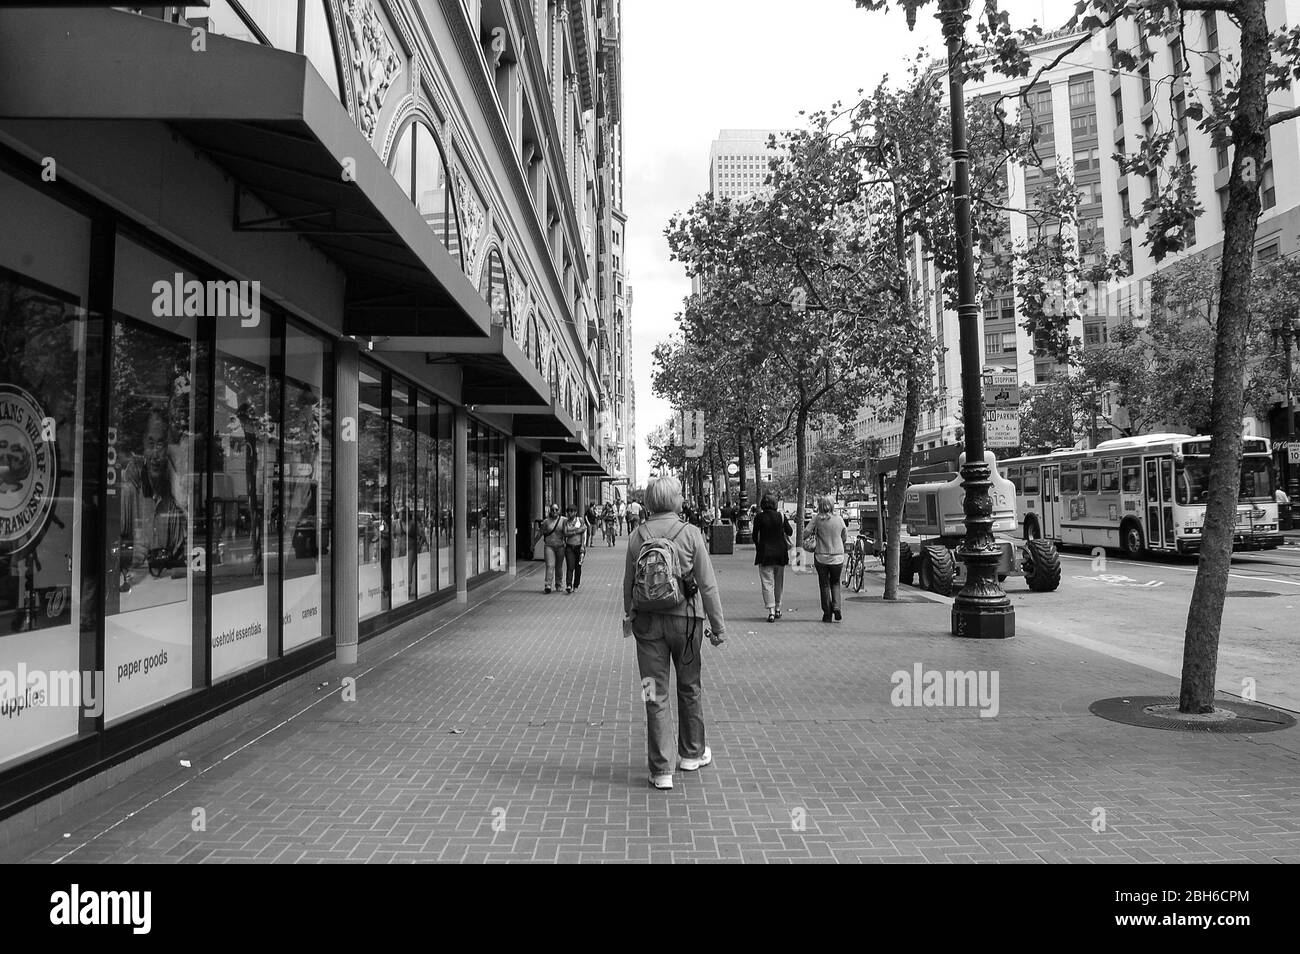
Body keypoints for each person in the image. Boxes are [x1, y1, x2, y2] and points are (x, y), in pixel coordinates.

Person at [622, 476, 727, 791]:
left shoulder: (637, 536)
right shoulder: (691, 533)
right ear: (674, 500)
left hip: (648, 625)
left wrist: (630, 616)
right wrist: (718, 627)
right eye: (681, 493)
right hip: (687, 622)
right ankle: (691, 754)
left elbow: (629, 583)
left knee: (653, 692)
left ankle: (661, 769)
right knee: (689, 686)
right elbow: (707, 585)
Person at [751, 493, 794, 623]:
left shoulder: (759, 517)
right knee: (778, 582)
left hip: (765, 554)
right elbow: (790, 531)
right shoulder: (780, 516)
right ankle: (778, 607)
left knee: (767, 583)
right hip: (780, 554)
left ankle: (771, 611)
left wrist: (759, 546)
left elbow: (754, 536)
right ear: (775, 503)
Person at [805, 495, 848, 623]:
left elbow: (806, 532)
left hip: (821, 557)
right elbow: (844, 536)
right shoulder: (839, 519)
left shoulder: (817, 519)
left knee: (824, 585)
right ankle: (837, 607)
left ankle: (827, 614)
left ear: (820, 505)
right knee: (835, 583)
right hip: (837, 558)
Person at [537, 504, 565, 594]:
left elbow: (571, 528)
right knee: (550, 565)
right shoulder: (546, 522)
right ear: (550, 510)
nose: (554, 511)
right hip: (549, 546)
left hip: (560, 546)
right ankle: (548, 585)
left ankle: (559, 584)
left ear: (559, 510)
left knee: (559, 566)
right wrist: (533, 544)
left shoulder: (564, 520)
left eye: (556, 509)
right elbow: (540, 533)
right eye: (552, 510)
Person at [562, 504, 588, 593]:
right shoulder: (565, 522)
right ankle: (568, 584)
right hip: (569, 546)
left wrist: (582, 546)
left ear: (575, 512)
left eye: (572, 511)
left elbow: (583, 533)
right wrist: (576, 531)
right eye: (568, 511)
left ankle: (576, 585)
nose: (570, 513)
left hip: (579, 547)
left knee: (578, 567)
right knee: (570, 565)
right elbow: (565, 533)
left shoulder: (580, 520)